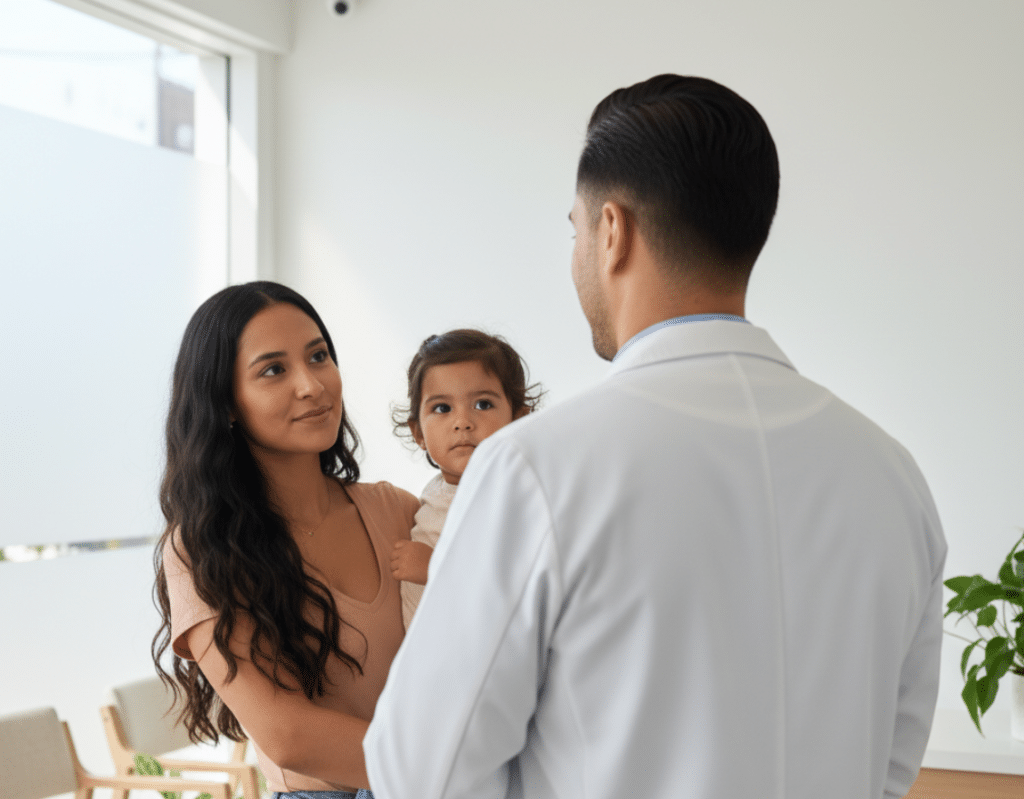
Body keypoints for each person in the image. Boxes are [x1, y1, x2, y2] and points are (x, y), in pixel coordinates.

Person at [363, 75, 947, 799]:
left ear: (612, 231)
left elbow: (426, 774)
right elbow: (891, 765)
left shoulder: (536, 468)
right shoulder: (892, 475)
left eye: (574, 229)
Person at [153, 281, 418, 799]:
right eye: (273, 369)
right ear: (226, 403)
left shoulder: (400, 510)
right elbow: (287, 735)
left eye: (319, 356)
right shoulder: (200, 549)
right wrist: (453, 765)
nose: (312, 385)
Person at [389, 330, 542, 627]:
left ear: (519, 421)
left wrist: (434, 567)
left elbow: (513, 581)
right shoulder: (434, 492)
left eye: (483, 404)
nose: (462, 423)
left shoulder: (514, 496)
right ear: (418, 432)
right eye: (442, 408)